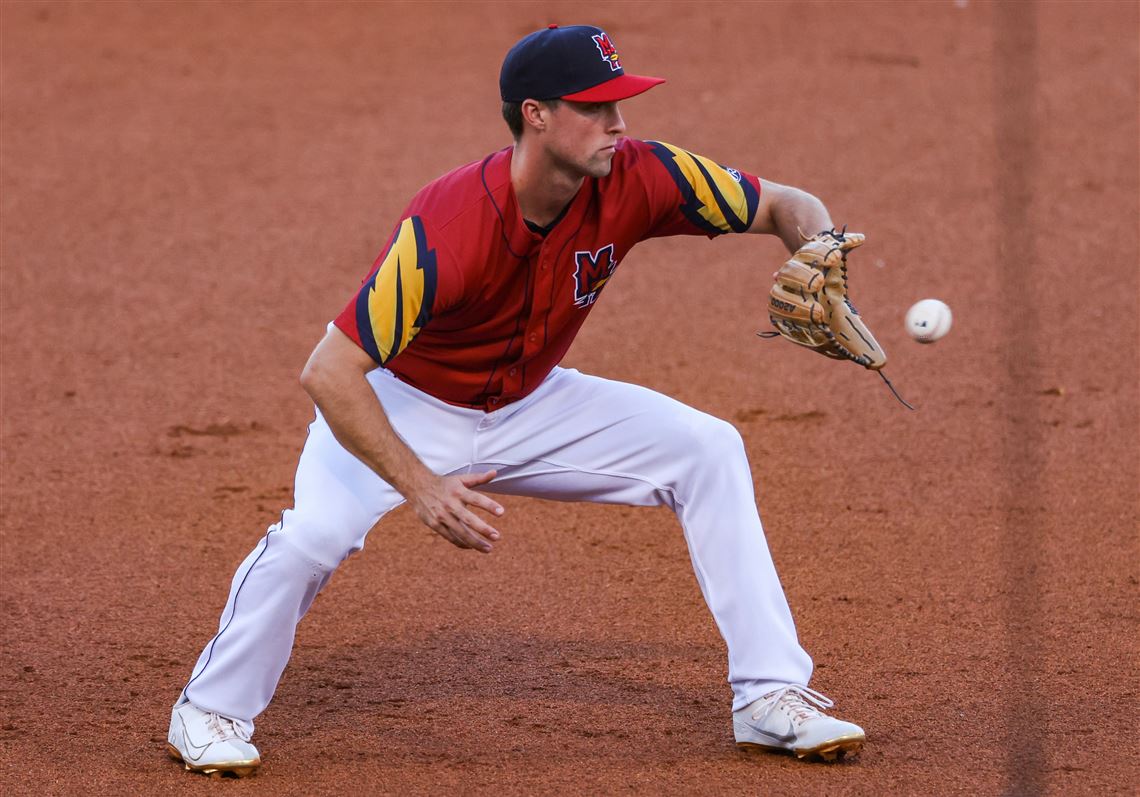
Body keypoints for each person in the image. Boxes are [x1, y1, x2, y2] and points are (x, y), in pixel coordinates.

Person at [166, 24, 866, 778]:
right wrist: (422, 485)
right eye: (596, 107)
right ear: (536, 114)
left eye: (620, 104)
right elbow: (330, 371)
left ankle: (770, 696)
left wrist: (818, 256)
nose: (618, 124)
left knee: (709, 449)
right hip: (404, 404)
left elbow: (788, 203)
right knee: (312, 537)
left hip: (533, 403)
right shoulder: (450, 224)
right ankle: (207, 708)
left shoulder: (641, 174)